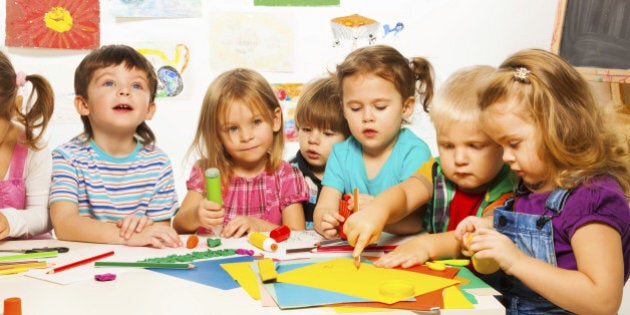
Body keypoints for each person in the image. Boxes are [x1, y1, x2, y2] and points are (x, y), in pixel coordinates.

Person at [454, 49, 630, 314]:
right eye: (500, 145)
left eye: (513, 143)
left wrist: (515, 261)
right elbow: (540, 230)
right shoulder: (533, 185)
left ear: (559, 125)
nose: (506, 157)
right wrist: (488, 228)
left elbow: (602, 301)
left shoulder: (592, 197)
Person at [346, 65, 517, 267]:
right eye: (447, 145)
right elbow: (406, 193)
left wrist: (426, 245)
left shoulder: (510, 186)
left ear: (502, 144)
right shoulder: (436, 170)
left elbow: (484, 232)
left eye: (475, 146)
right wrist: (377, 210)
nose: (459, 158)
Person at [49, 44, 181, 248]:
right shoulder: (67, 158)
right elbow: (64, 225)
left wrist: (145, 228)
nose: (124, 91)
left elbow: (162, 233)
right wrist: (128, 236)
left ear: (149, 109)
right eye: (109, 83)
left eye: (136, 86)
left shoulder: (158, 163)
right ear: (84, 104)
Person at [313, 45, 434, 239]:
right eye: (355, 108)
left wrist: (378, 212)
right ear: (343, 108)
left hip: (403, 250)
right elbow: (325, 206)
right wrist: (325, 220)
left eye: (380, 107)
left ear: (406, 106)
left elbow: (415, 223)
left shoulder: (415, 152)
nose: (367, 117)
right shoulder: (340, 153)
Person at [172, 68, 309, 238]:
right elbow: (178, 226)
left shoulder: (286, 176)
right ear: (217, 135)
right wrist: (196, 215)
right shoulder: (208, 172)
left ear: (275, 120)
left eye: (256, 122)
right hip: (214, 261)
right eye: (233, 128)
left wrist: (258, 226)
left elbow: (298, 235)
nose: (246, 136)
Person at [0, 51, 55, 240]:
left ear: (15, 107)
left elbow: (44, 216)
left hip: (28, 254)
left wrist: (9, 221)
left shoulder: (32, 147)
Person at [289, 76, 350, 229]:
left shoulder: (352, 174)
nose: (313, 140)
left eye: (327, 133)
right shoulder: (287, 173)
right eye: (306, 129)